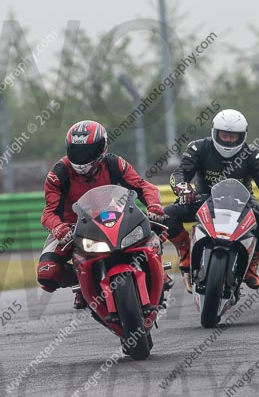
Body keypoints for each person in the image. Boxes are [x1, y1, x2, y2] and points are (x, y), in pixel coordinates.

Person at [38, 119, 169, 309]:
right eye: (76, 151)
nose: (82, 157)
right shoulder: (59, 173)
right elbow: (49, 212)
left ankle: (156, 270)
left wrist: (154, 206)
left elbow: (142, 186)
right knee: (47, 274)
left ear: (102, 148)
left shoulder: (114, 163)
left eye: (88, 151)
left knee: (157, 227)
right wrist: (58, 227)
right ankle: (83, 283)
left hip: (111, 217)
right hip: (72, 228)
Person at [164, 109, 259, 290]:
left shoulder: (254, 155)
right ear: (215, 132)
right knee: (167, 215)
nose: (228, 140)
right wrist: (182, 188)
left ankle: (252, 265)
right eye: (224, 135)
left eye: (233, 136)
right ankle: (186, 253)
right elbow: (180, 173)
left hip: (242, 203)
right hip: (203, 199)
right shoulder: (198, 148)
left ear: (242, 136)